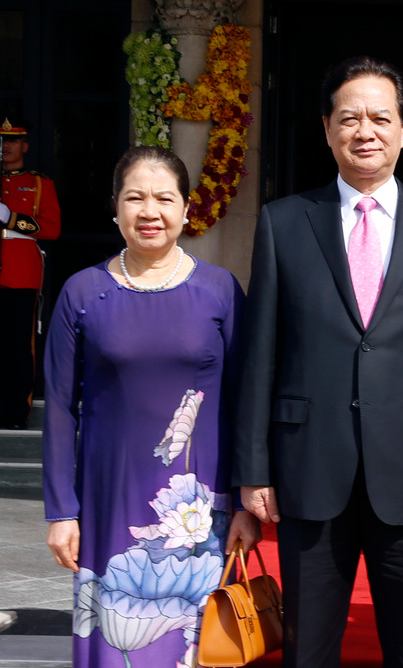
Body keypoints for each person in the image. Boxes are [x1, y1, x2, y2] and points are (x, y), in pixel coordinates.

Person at [233, 56, 403, 668]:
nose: (365, 131)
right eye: (349, 118)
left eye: (380, 117)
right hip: (307, 470)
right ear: (326, 128)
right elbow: (260, 353)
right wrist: (252, 468)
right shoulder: (283, 223)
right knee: (307, 647)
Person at [42, 146, 260, 667]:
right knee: (116, 642)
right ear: (115, 208)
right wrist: (60, 510)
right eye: (135, 197)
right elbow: (55, 405)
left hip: (199, 507)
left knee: (197, 647)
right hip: (106, 500)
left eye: (165, 198)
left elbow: (245, 401)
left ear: (186, 210)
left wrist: (246, 504)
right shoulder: (83, 291)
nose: (150, 211)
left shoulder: (220, 291)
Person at [0, 116, 60, 428]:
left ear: (24, 144)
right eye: (2, 140)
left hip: (20, 269)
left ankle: (14, 411)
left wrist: (11, 218)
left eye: (13, 140)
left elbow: (52, 229)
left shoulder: (39, 183)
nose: (6, 145)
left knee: (18, 343)